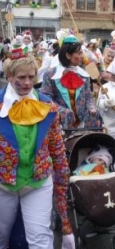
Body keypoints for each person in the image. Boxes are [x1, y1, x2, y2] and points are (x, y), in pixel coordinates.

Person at [0, 49, 74, 248]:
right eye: (21, 77)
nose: (26, 82)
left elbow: (57, 149)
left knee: (40, 239)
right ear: (9, 77)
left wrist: (62, 177)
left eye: (31, 77)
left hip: (38, 181)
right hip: (3, 184)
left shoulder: (48, 106)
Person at [41, 35, 102, 129]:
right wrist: (62, 111)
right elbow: (46, 99)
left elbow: (89, 97)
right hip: (60, 125)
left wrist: (92, 107)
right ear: (68, 55)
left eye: (82, 53)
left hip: (83, 124)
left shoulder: (84, 74)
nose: (82, 56)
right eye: (79, 53)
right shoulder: (50, 74)